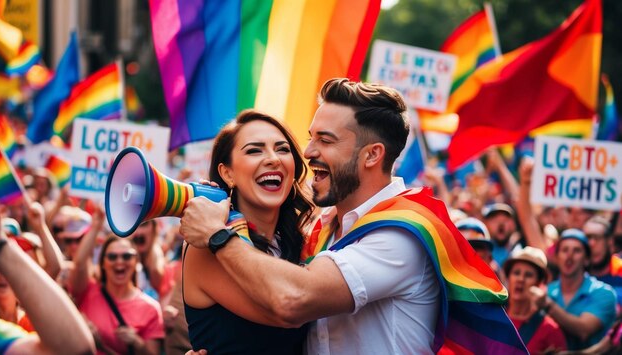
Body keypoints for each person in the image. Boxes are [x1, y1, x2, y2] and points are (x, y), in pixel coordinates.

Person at [180, 79, 522, 354]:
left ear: (372, 155)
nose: (308, 152)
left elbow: (291, 300)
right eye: (310, 138)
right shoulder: (322, 228)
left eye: (325, 141)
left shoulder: (402, 235)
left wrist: (219, 235)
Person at [182, 109, 314, 353]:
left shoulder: (300, 242)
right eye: (254, 150)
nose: (273, 159)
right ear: (227, 173)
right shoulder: (206, 246)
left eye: (282, 149)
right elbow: (285, 309)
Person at [0, 203, 96, 354]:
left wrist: (1, 245)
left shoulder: (31, 315)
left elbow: (73, 349)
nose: (3, 274)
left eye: (24, 251)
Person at [69, 208, 164, 354]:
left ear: (135, 261)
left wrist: (137, 344)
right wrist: (95, 227)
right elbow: (79, 265)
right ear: (103, 263)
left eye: (126, 256)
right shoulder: (88, 290)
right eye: (112, 257)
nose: (119, 262)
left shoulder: (151, 309)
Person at [534, 229, 617, 351]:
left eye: (577, 250)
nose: (569, 256)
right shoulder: (548, 291)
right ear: (556, 258)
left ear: (587, 259)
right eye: (564, 250)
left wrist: (548, 305)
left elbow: (583, 330)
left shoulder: (604, 293)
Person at [504, 246, 567, 354]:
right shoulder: (494, 319)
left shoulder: (549, 330)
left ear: (539, 283)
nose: (520, 279)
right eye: (516, 273)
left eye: (528, 275)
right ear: (508, 278)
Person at [584, 215, 622, 306]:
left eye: (597, 238)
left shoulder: (620, 270)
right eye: (587, 237)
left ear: (610, 241)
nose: (591, 243)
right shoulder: (573, 274)